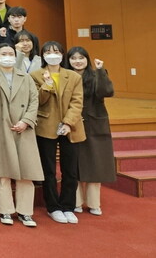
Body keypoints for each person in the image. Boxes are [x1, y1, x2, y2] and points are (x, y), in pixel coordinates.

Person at [0, 44, 43, 227]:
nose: (7, 56)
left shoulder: (25, 76)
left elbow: (34, 101)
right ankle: (5, 210)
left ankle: (25, 212)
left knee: (26, 171)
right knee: (3, 172)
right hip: (1, 125)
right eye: (4, 54)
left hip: (24, 127)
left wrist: (27, 121)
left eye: (11, 54)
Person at [30, 41, 85, 224]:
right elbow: (37, 100)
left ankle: (68, 206)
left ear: (62, 54)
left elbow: (77, 102)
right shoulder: (35, 75)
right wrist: (46, 85)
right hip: (46, 126)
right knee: (49, 170)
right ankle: (53, 206)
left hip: (70, 127)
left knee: (70, 169)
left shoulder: (73, 76)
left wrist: (68, 122)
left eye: (56, 51)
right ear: (42, 55)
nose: (52, 55)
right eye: (48, 52)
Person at [66, 47, 115, 217]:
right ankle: (76, 201)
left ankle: (94, 203)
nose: (77, 61)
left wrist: (100, 70)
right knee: (74, 163)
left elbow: (106, 92)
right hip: (72, 123)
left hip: (94, 124)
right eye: (73, 58)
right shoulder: (66, 76)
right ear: (68, 60)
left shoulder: (96, 75)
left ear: (87, 59)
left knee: (95, 163)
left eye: (81, 58)